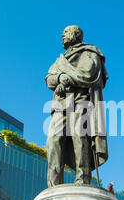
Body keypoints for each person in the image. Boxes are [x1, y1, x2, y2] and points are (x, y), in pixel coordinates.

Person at [45, 25, 108, 187]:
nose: (62, 35)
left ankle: (83, 178)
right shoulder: (60, 60)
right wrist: (60, 78)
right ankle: (54, 182)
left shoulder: (90, 52)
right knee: (53, 140)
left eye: (66, 32)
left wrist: (66, 79)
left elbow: (88, 74)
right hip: (61, 104)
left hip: (81, 101)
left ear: (76, 35)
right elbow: (48, 79)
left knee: (79, 137)